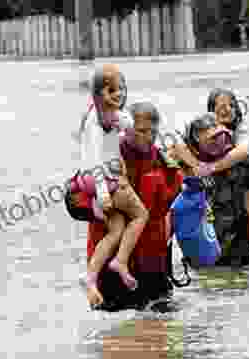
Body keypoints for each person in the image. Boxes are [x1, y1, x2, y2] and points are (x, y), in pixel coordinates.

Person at [86, 101, 184, 311]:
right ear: (126, 129)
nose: (148, 136)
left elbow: (167, 207)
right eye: (141, 131)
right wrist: (97, 207)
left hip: (153, 267)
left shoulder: (166, 164)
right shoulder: (104, 157)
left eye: (153, 131)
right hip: (110, 271)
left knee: (160, 332)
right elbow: (75, 196)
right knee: (113, 333)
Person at [169, 88, 249, 267]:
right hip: (209, 204)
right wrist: (196, 166)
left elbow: (244, 150)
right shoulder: (199, 128)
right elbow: (175, 147)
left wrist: (211, 168)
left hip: (238, 200)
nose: (227, 109)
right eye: (221, 107)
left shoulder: (240, 132)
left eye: (231, 106)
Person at [74, 64, 150, 308]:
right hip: (101, 180)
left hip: (92, 180)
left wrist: (123, 122)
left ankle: (90, 277)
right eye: (111, 90)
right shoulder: (95, 124)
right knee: (140, 215)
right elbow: (96, 160)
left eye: (121, 89)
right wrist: (103, 192)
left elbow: (128, 125)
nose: (118, 94)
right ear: (98, 94)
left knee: (116, 230)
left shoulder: (110, 116)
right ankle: (120, 260)